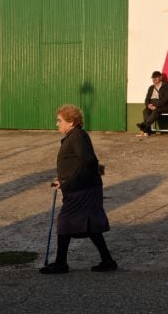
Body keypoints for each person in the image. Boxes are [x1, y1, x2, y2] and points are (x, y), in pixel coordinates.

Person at [39, 104, 117, 274]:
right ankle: (107, 260)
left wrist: (68, 182)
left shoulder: (77, 137)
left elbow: (88, 161)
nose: (57, 124)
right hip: (82, 187)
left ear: (72, 122)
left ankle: (61, 264)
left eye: (60, 121)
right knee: (89, 225)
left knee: (65, 221)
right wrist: (63, 180)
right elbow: (77, 163)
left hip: (83, 189)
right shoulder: (74, 136)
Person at [136, 71, 168, 136]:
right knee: (145, 111)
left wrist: (156, 106)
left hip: (163, 106)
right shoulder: (151, 87)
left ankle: (144, 126)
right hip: (152, 105)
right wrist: (148, 105)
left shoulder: (166, 86)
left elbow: (166, 99)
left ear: (160, 77)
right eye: (153, 78)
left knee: (156, 111)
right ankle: (147, 130)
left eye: (156, 77)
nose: (154, 79)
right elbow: (147, 99)